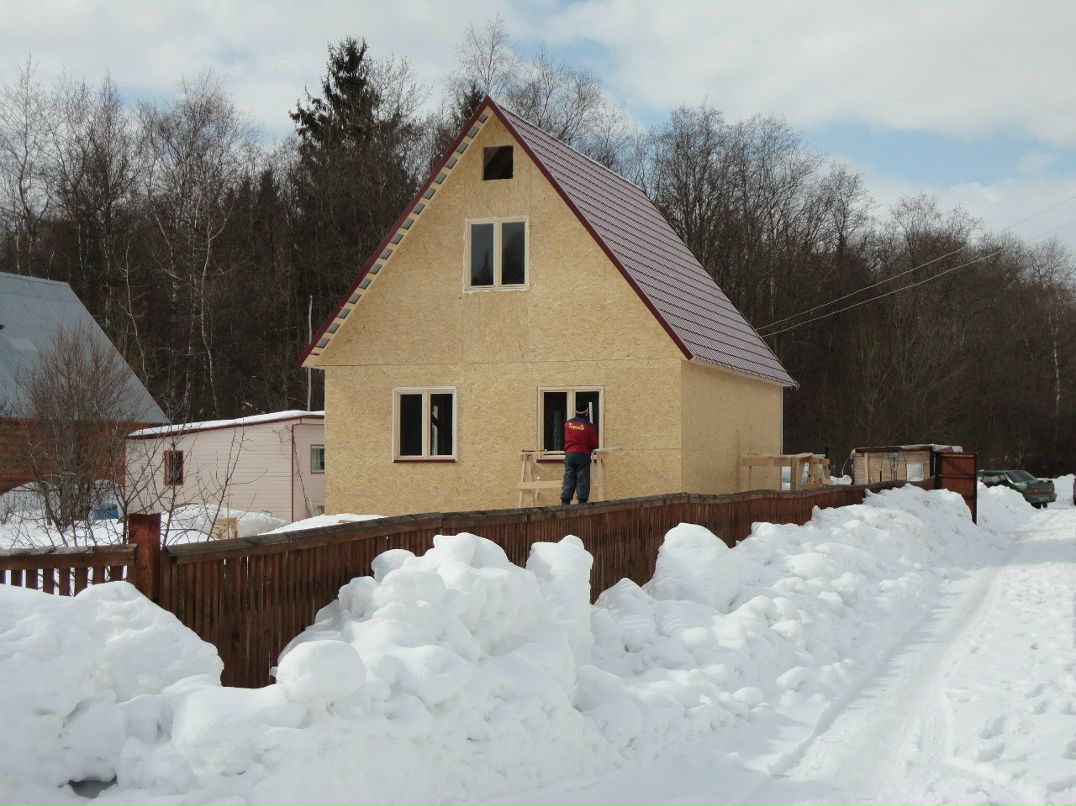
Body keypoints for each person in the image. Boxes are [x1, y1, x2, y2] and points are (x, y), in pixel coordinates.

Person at [561, 407, 598, 504]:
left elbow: (564, 438)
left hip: (569, 454)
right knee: (582, 478)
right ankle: (582, 501)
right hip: (583, 454)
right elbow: (594, 444)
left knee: (569, 477)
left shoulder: (568, 424)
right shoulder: (589, 426)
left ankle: (565, 501)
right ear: (586, 413)